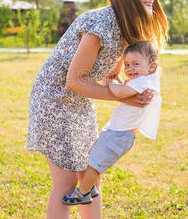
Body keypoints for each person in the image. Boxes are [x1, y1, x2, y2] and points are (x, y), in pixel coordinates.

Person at [26, 0, 168, 219]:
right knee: (67, 181)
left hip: (80, 103)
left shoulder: (128, 28)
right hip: (54, 100)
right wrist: (123, 96)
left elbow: (112, 75)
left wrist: (131, 91)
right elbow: (74, 81)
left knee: (90, 179)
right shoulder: (100, 23)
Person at [61, 41, 162, 205]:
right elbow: (120, 89)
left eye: (136, 64)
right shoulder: (145, 80)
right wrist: (113, 80)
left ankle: (83, 193)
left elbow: (120, 92)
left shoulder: (144, 82)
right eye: (127, 64)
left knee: (95, 164)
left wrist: (112, 81)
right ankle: (91, 188)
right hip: (118, 133)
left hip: (119, 135)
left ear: (151, 66)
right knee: (94, 158)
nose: (129, 69)